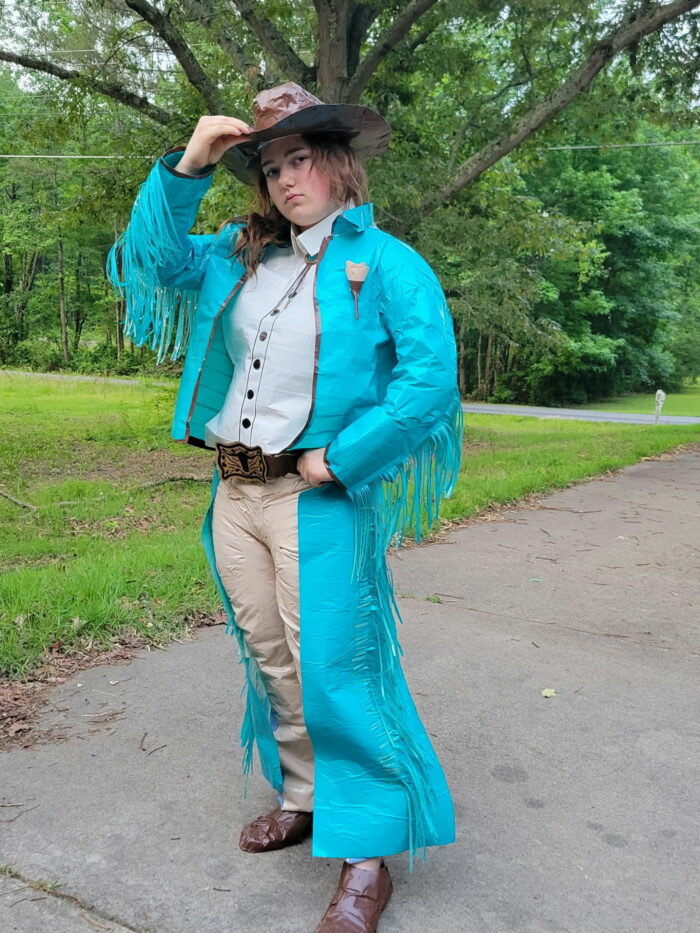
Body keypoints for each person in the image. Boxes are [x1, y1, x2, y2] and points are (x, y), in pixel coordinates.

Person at [108, 82, 463, 933]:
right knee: (270, 656)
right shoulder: (239, 254)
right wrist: (190, 165)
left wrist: (343, 456)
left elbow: (429, 381)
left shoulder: (388, 264)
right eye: (271, 168)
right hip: (234, 492)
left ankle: (367, 854)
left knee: (336, 665)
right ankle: (304, 796)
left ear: (337, 163)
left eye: (300, 159)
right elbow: (152, 259)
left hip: (318, 498)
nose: (285, 179)